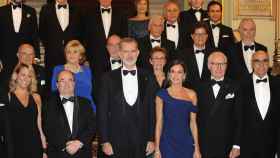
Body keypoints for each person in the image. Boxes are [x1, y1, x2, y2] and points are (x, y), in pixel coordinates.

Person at [98, 37, 157, 158]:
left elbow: (152, 110)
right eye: (125, 51)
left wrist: (151, 138)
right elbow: (102, 111)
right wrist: (104, 140)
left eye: (133, 51)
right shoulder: (107, 78)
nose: (129, 55)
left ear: (138, 53)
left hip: (141, 140)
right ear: (119, 53)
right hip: (115, 141)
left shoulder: (149, 77)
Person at [196, 51, 242, 158]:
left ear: (226, 66)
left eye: (222, 64)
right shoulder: (199, 87)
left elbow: (240, 118)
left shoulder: (235, 86)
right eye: (215, 64)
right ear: (208, 66)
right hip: (204, 144)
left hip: (227, 144)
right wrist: (195, 144)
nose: (219, 67)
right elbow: (195, 118)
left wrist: (236, 145)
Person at [42, 70, 96, 158]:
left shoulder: (86, 103)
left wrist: (79, 143)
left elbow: (92, 125)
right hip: (58, 153)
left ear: (74, 83)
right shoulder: (48, 105)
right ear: (57, 85)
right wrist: (66, 146)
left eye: (70, 80)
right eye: (62, 81)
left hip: (83, 153)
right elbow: (47, 128)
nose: (66, 84)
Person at [154, 59, 201, 158]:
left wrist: (197, 148)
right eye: (173, 71)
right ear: (169, 74)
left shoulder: (192, 95)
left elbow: (193, 123)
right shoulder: (161, 95)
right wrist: (157, 148)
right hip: (167, 143)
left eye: (179, 72)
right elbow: (159, 122)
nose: (176, 75)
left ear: (184, 75)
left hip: (186, 143)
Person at [241, 50, 280, 158]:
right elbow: (237, 118)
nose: (261, 64)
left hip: (271, 147)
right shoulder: (241, 84)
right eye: (257, 61)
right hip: (247, 147)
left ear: (269, 63)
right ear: (252, 63)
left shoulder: (278, 84)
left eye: (265, 61)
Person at [39, 0, 83, 90]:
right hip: (52, 57)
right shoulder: (46, 9)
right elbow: (42, 32)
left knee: (73, 85)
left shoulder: (77, 10)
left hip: (72, 58)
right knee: (52, 86)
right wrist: (52, 47)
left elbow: (81, 33)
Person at [6, 64, 47, 158]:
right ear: (15, 76)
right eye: (23, 74)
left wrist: (44, 150)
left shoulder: (36, 97)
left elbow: (39, 126)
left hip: (35, 146)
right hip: (15, 147)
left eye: (29, 76)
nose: (26, 78)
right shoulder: (8, 97)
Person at [84, 0, 127, 83]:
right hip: (96, 58)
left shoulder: (121, 13)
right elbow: (86, 37)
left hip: (116, 56)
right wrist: (86, 58)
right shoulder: (88, 14)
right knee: (98, 83)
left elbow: (124, 36)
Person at [0, 0, 39, 90]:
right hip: (5, 58)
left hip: (25, 57)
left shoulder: (31, 11)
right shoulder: (1, 11)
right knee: (6, 84)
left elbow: (34, 35)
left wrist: (35, 57)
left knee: (25, 84)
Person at [51, 40, 96, 112]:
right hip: (66, 107)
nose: (71, 55)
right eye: (69, 52)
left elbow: (90, 91)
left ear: (80, 55)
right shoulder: (58, 69)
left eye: (75, 52)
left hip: (88, 108)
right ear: (65, 55)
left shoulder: (87, 70)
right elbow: (54, 90)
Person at [178, 23, 212, 89]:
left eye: (203, 34)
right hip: (188, 92)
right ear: (192, 36)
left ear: (207, 36)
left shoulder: (214, 53)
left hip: (209, 93)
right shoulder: (182, 54)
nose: (200, 37)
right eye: (197, 34)